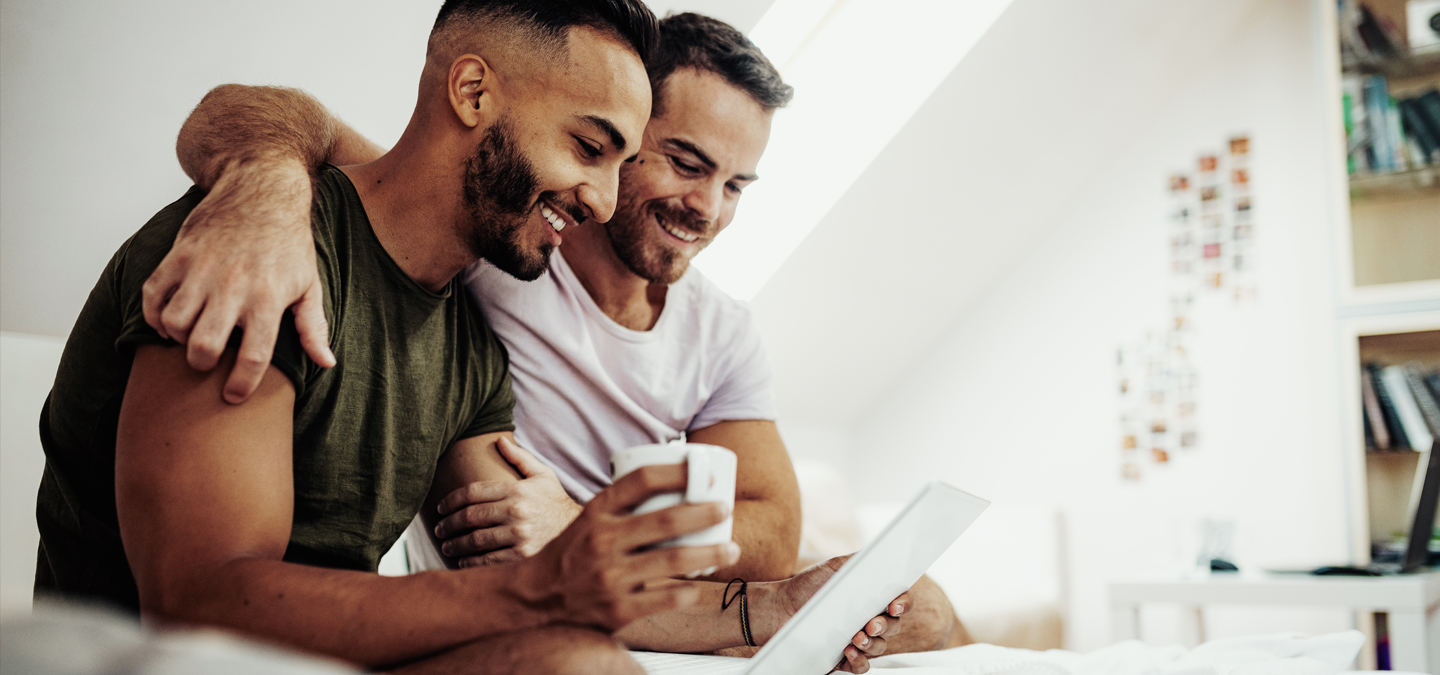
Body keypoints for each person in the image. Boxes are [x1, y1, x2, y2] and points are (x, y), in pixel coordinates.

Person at [30, 2, 904, 673]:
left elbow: (547, 569)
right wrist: (262, 179)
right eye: (591, 147)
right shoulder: (259, 249)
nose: (604, 199)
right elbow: (195, 605)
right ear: (473, 92)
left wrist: (780, 607)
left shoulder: (471, 334)